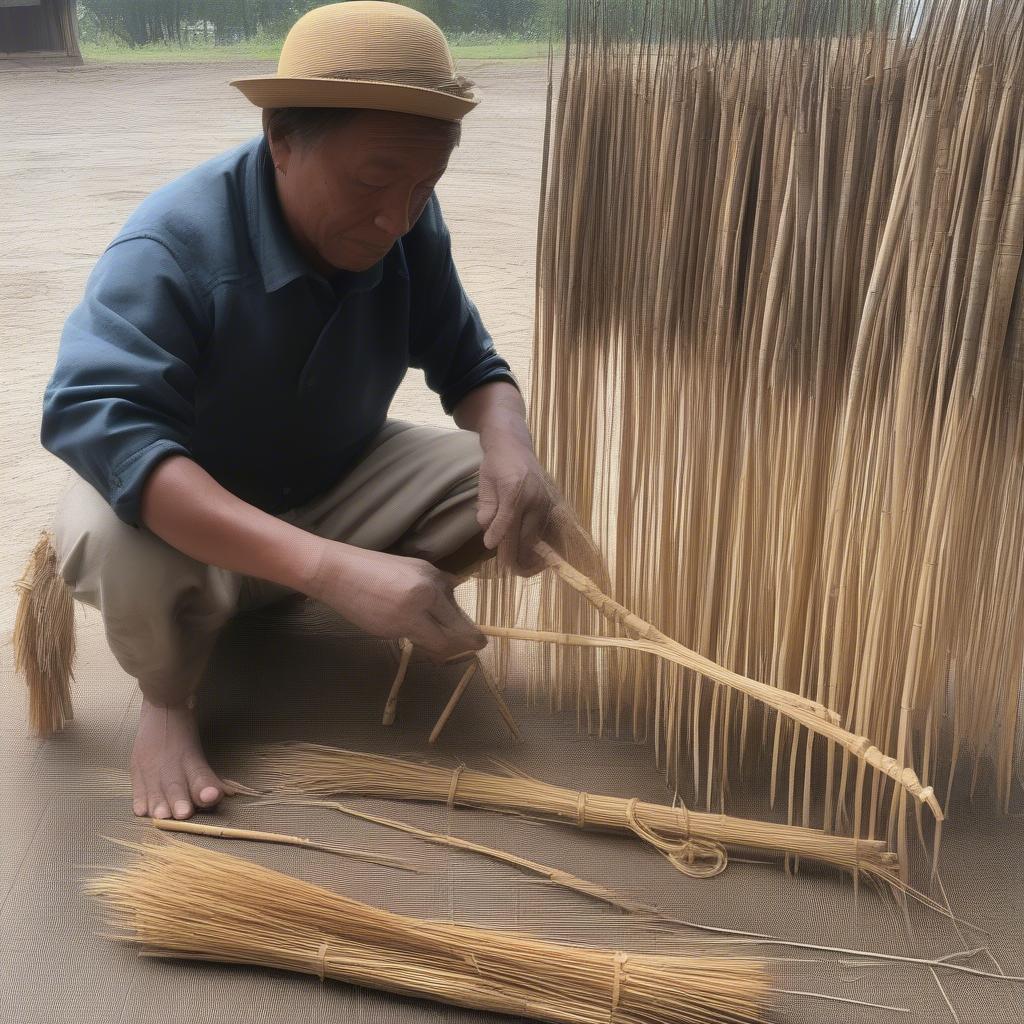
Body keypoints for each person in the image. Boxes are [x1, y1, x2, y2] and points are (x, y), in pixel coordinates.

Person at [39, 2, 561, 823]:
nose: (396, 217)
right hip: (192, 507)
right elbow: (106, 429)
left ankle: (296, 587)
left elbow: (472, 366)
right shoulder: (172, 248)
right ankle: (171, 699)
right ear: (282, 140)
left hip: (329, 478)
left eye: (424, 187)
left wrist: (513, 444)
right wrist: (330, 568)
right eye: (371, 181)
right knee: (109, 534)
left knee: (495, 486)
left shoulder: (408, 224)